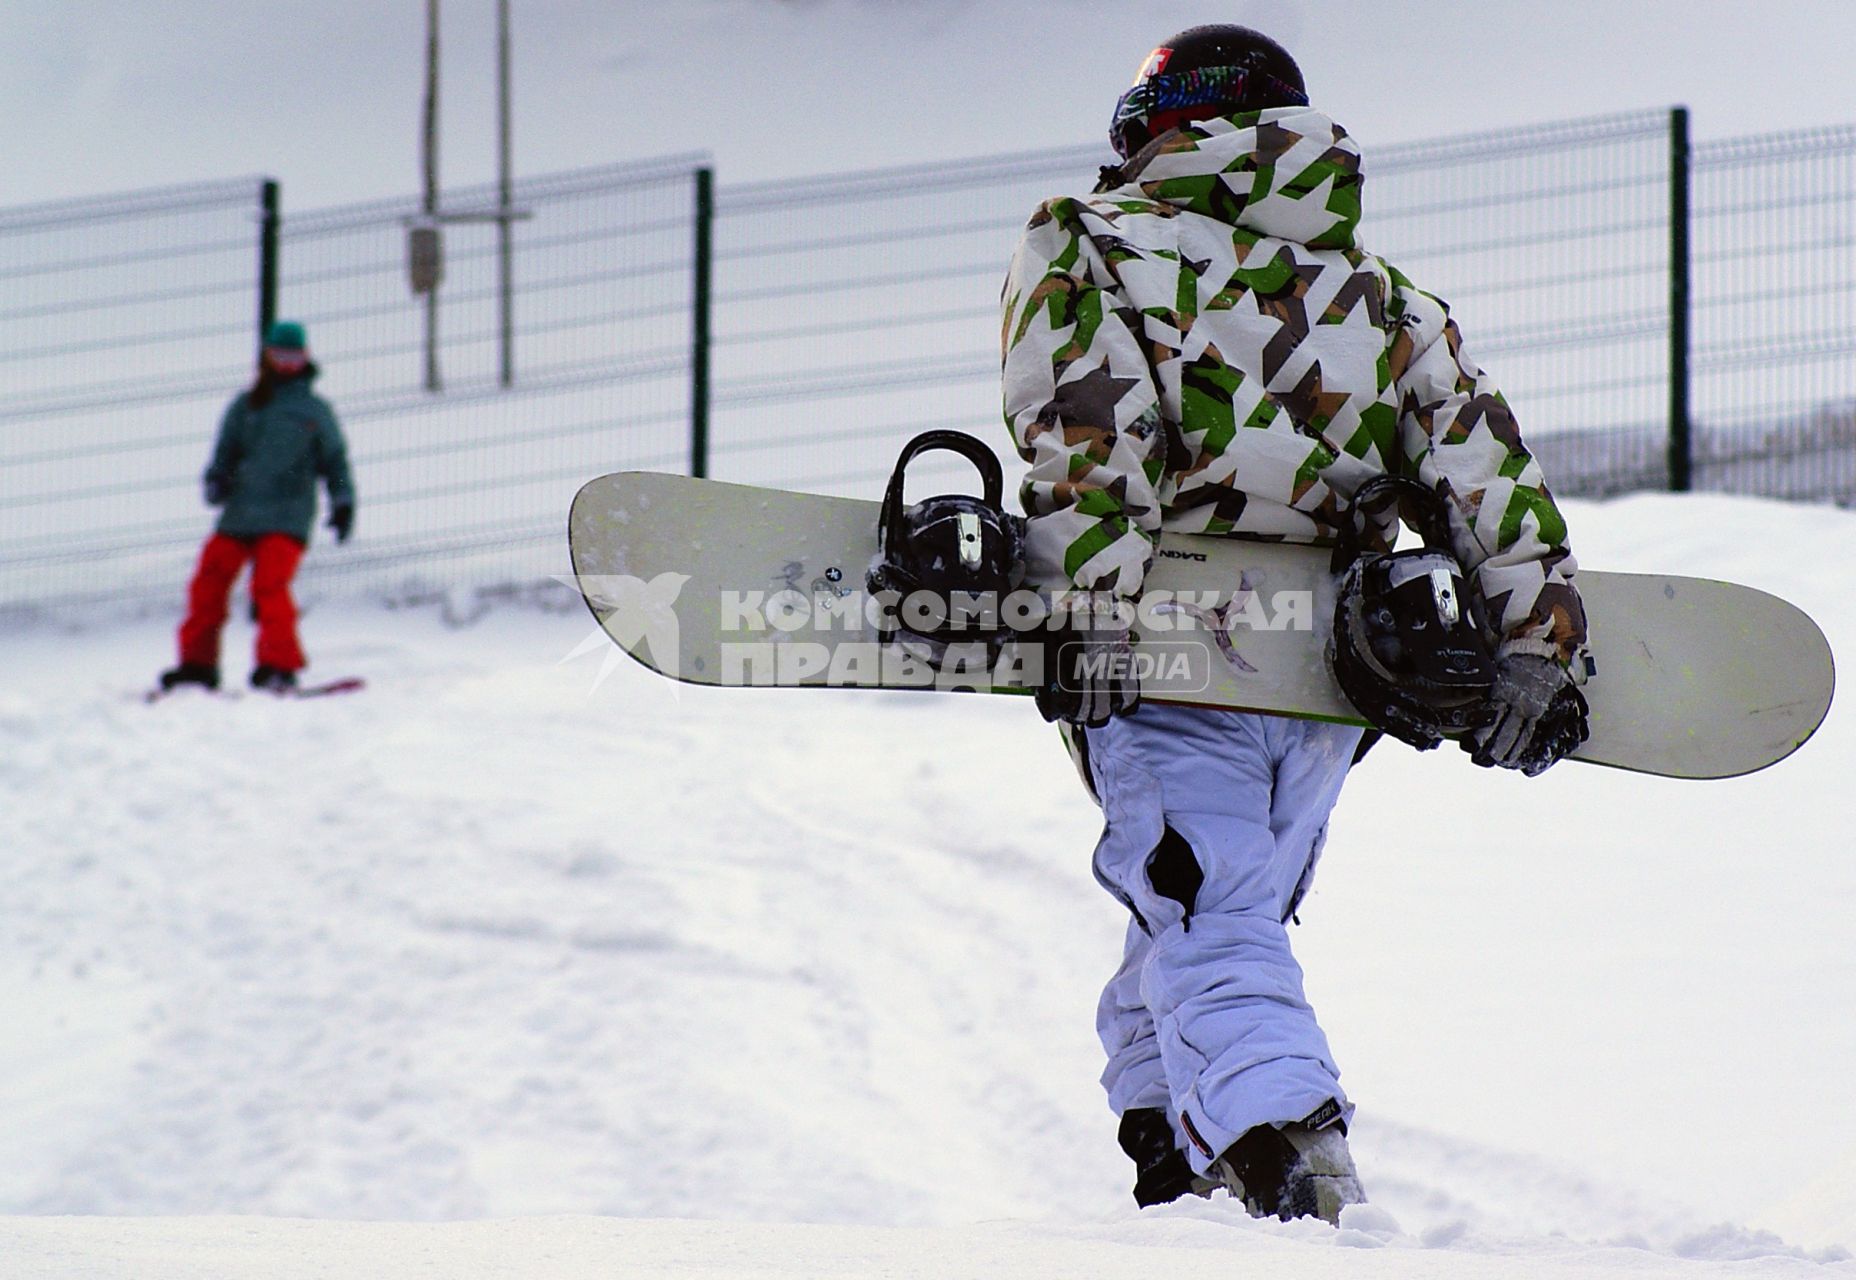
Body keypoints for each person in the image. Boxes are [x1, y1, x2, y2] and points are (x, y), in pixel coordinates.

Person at [1000, 25, 1589, 1224]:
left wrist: (1087, 615)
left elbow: (1090, 440)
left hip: (1162, 643)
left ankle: (1290, 1155)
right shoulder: (1388, 298)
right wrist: (1539, 641)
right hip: (1332, 668)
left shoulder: (1095, 245)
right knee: (1218, 903)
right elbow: (1485, 478)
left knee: (1203, 899)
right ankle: (1176, 1149)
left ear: (1160, 121)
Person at [159, 320, 355, 694]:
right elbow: (224, 453)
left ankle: (278, 665)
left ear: (306, 358)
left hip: (287, 516)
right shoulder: (245, 406)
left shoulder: (314, 411)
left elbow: (335, 461)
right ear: (266, 356)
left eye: (294, 356)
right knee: (208, 583)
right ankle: (197, 664)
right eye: (279, 355)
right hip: (240, 515)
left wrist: (343, 501)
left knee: (270, 586)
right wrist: (217, 480)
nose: (286, 363)